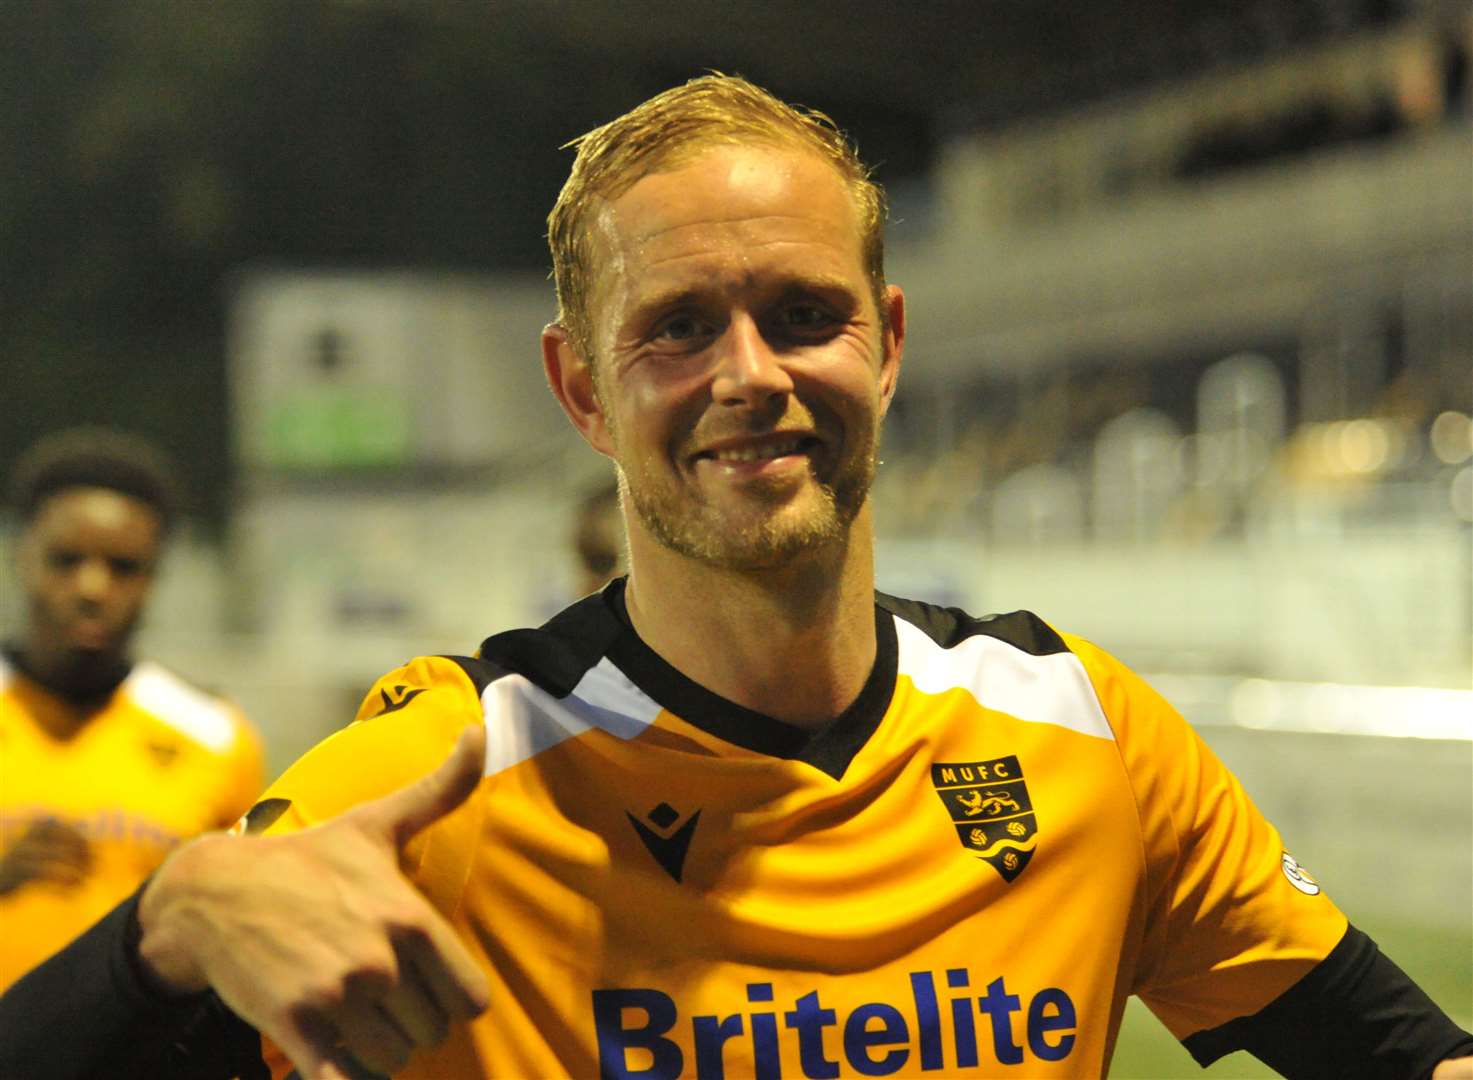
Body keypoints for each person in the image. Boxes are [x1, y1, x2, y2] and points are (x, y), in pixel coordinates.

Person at [2, 76, 1470, 1080]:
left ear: (887, 344)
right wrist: (169, 927)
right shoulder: (446, 775)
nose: (750, 376)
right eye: (679, 327)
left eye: (802, 313)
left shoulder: (1085, 734)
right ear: (579, 390)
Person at [0, 428, 264, 994]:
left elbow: (246, 929)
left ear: (155, 577)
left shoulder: (214, 735)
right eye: (66, 560)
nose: (92, 587)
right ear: (21, 555)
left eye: (123, 567)